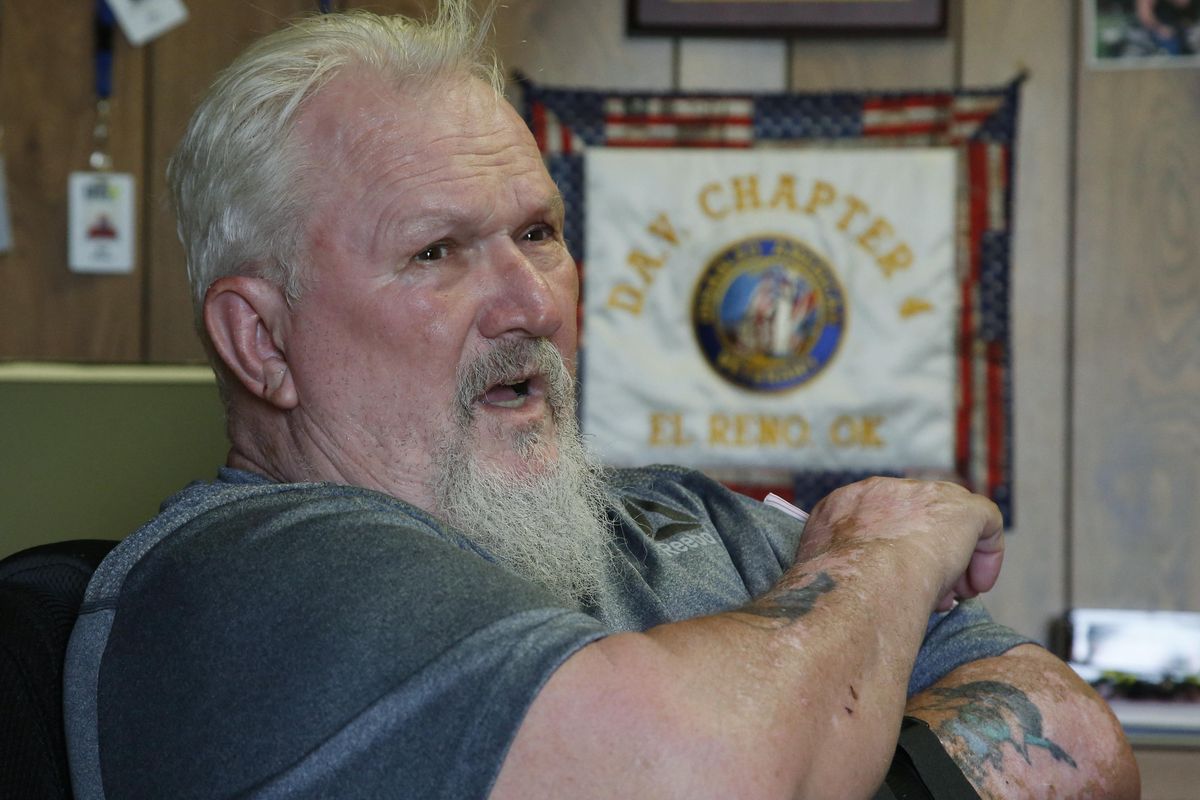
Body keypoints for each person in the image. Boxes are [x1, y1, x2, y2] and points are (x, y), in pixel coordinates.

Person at [64, 3, 1139, 798]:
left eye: (538, 233)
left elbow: (1080, 737)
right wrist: (885, 556)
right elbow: (688, 772)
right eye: (437, 251)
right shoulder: (247, 576)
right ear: (262, 339)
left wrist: (810, 741)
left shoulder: (681, 515)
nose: (532, 300)